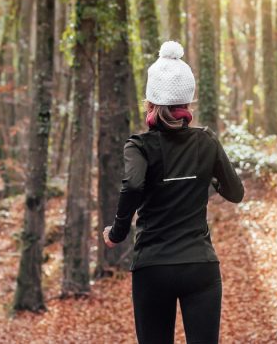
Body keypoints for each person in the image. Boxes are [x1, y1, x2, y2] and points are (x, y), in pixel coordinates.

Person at [103, 40, 245, 344]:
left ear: (151, 102)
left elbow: (134, 184)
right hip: (200, 266)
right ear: (186, 103)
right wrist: (209, 178)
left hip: (153, 267)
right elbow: (236, 192)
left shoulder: (139, 145)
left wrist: (116, 233)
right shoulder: (206, 141)